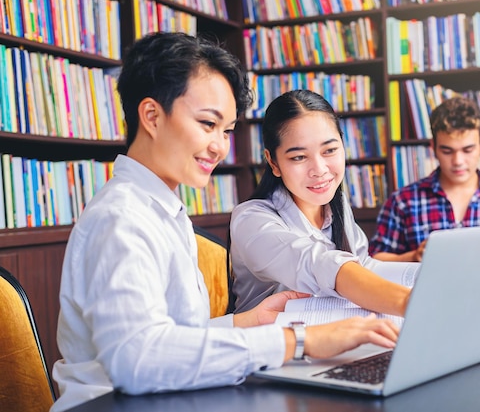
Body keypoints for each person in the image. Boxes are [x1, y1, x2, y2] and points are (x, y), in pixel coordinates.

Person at [51, 33, 400, 412]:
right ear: (151, 116)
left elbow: (169, 340)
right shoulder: (121, 218)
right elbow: (138, 360)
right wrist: (299, 341)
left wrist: (246, 322)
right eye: (207, 124)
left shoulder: (162, 208)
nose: (220, 146)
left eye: (227, 130)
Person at [229, 90, 416, 315]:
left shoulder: (336, 205)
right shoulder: (251, 220)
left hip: (331, 339)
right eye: (299, 157)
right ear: (273, 162)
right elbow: (317, 264)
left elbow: (364, 267)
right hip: (275, 345)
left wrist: (427, 277)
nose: (319, 170)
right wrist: (409, 303)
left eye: (329, 150)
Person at [369, 96, 480, 262]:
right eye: (447, 151)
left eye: (468, 150)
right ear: (433, 147)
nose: (458, 161)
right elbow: (374, 260)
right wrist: (414, 256)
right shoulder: (402, 202)